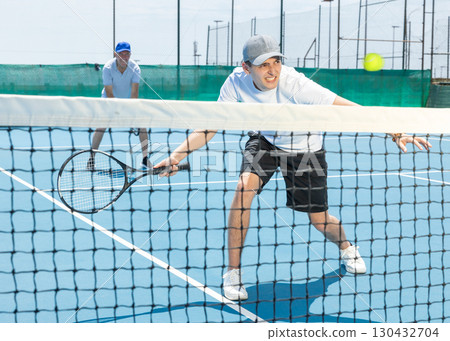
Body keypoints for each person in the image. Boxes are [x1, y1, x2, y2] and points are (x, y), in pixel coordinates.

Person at [155, 35, 432, 301]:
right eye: (263, 64)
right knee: (242, 190)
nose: (272, 70)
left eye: (276, 61)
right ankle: (233, 273)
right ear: (246, 67)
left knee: (319, 220)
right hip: (265, 142)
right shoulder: (235, 82)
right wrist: (176, 156)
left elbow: (349, 109)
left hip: (305, 150)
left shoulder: (297, 85)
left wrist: (394, 132)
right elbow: (210, 125)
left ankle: (347, 248)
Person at [92, 41, 150, 167]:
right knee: (101, 126)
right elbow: (109, 93)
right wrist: (118, 113)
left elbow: (134, 95)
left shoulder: (135, 68)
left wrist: (130, 113)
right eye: (121, 54)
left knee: (142, 126)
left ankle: (145, 158)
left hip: (129, 101)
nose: (124, 57)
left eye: (127, 54)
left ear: (130, 55)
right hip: (109, 100)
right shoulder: (107, 68)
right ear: (115, 55)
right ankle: (92, 158)